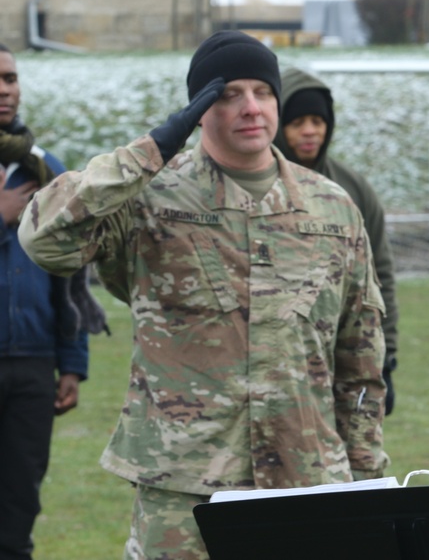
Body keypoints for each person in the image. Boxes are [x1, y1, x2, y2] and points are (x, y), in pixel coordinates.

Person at [18, 31, 387, 560]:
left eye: (262, 91)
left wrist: (366, 474)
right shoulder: (149, 197)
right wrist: (151, 150)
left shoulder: (332, 208)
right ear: (197, 108)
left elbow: (360, 357)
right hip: (184, 481)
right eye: (228, 93)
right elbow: (43, 237)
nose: (250, 107)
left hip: (306, 477)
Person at [0, 43, 106, 560]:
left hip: (35, 365)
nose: (5, 89)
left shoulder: (45, 170)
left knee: (21, 500)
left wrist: (73, 363)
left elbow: (73, 272)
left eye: (11, 77)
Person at [274, 65, 400, 414]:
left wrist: (385, 360)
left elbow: (381, 277)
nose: (310, 131)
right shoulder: (256, 189)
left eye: (318, 121)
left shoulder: (353, 189)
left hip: (343, 362)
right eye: (297, 123)